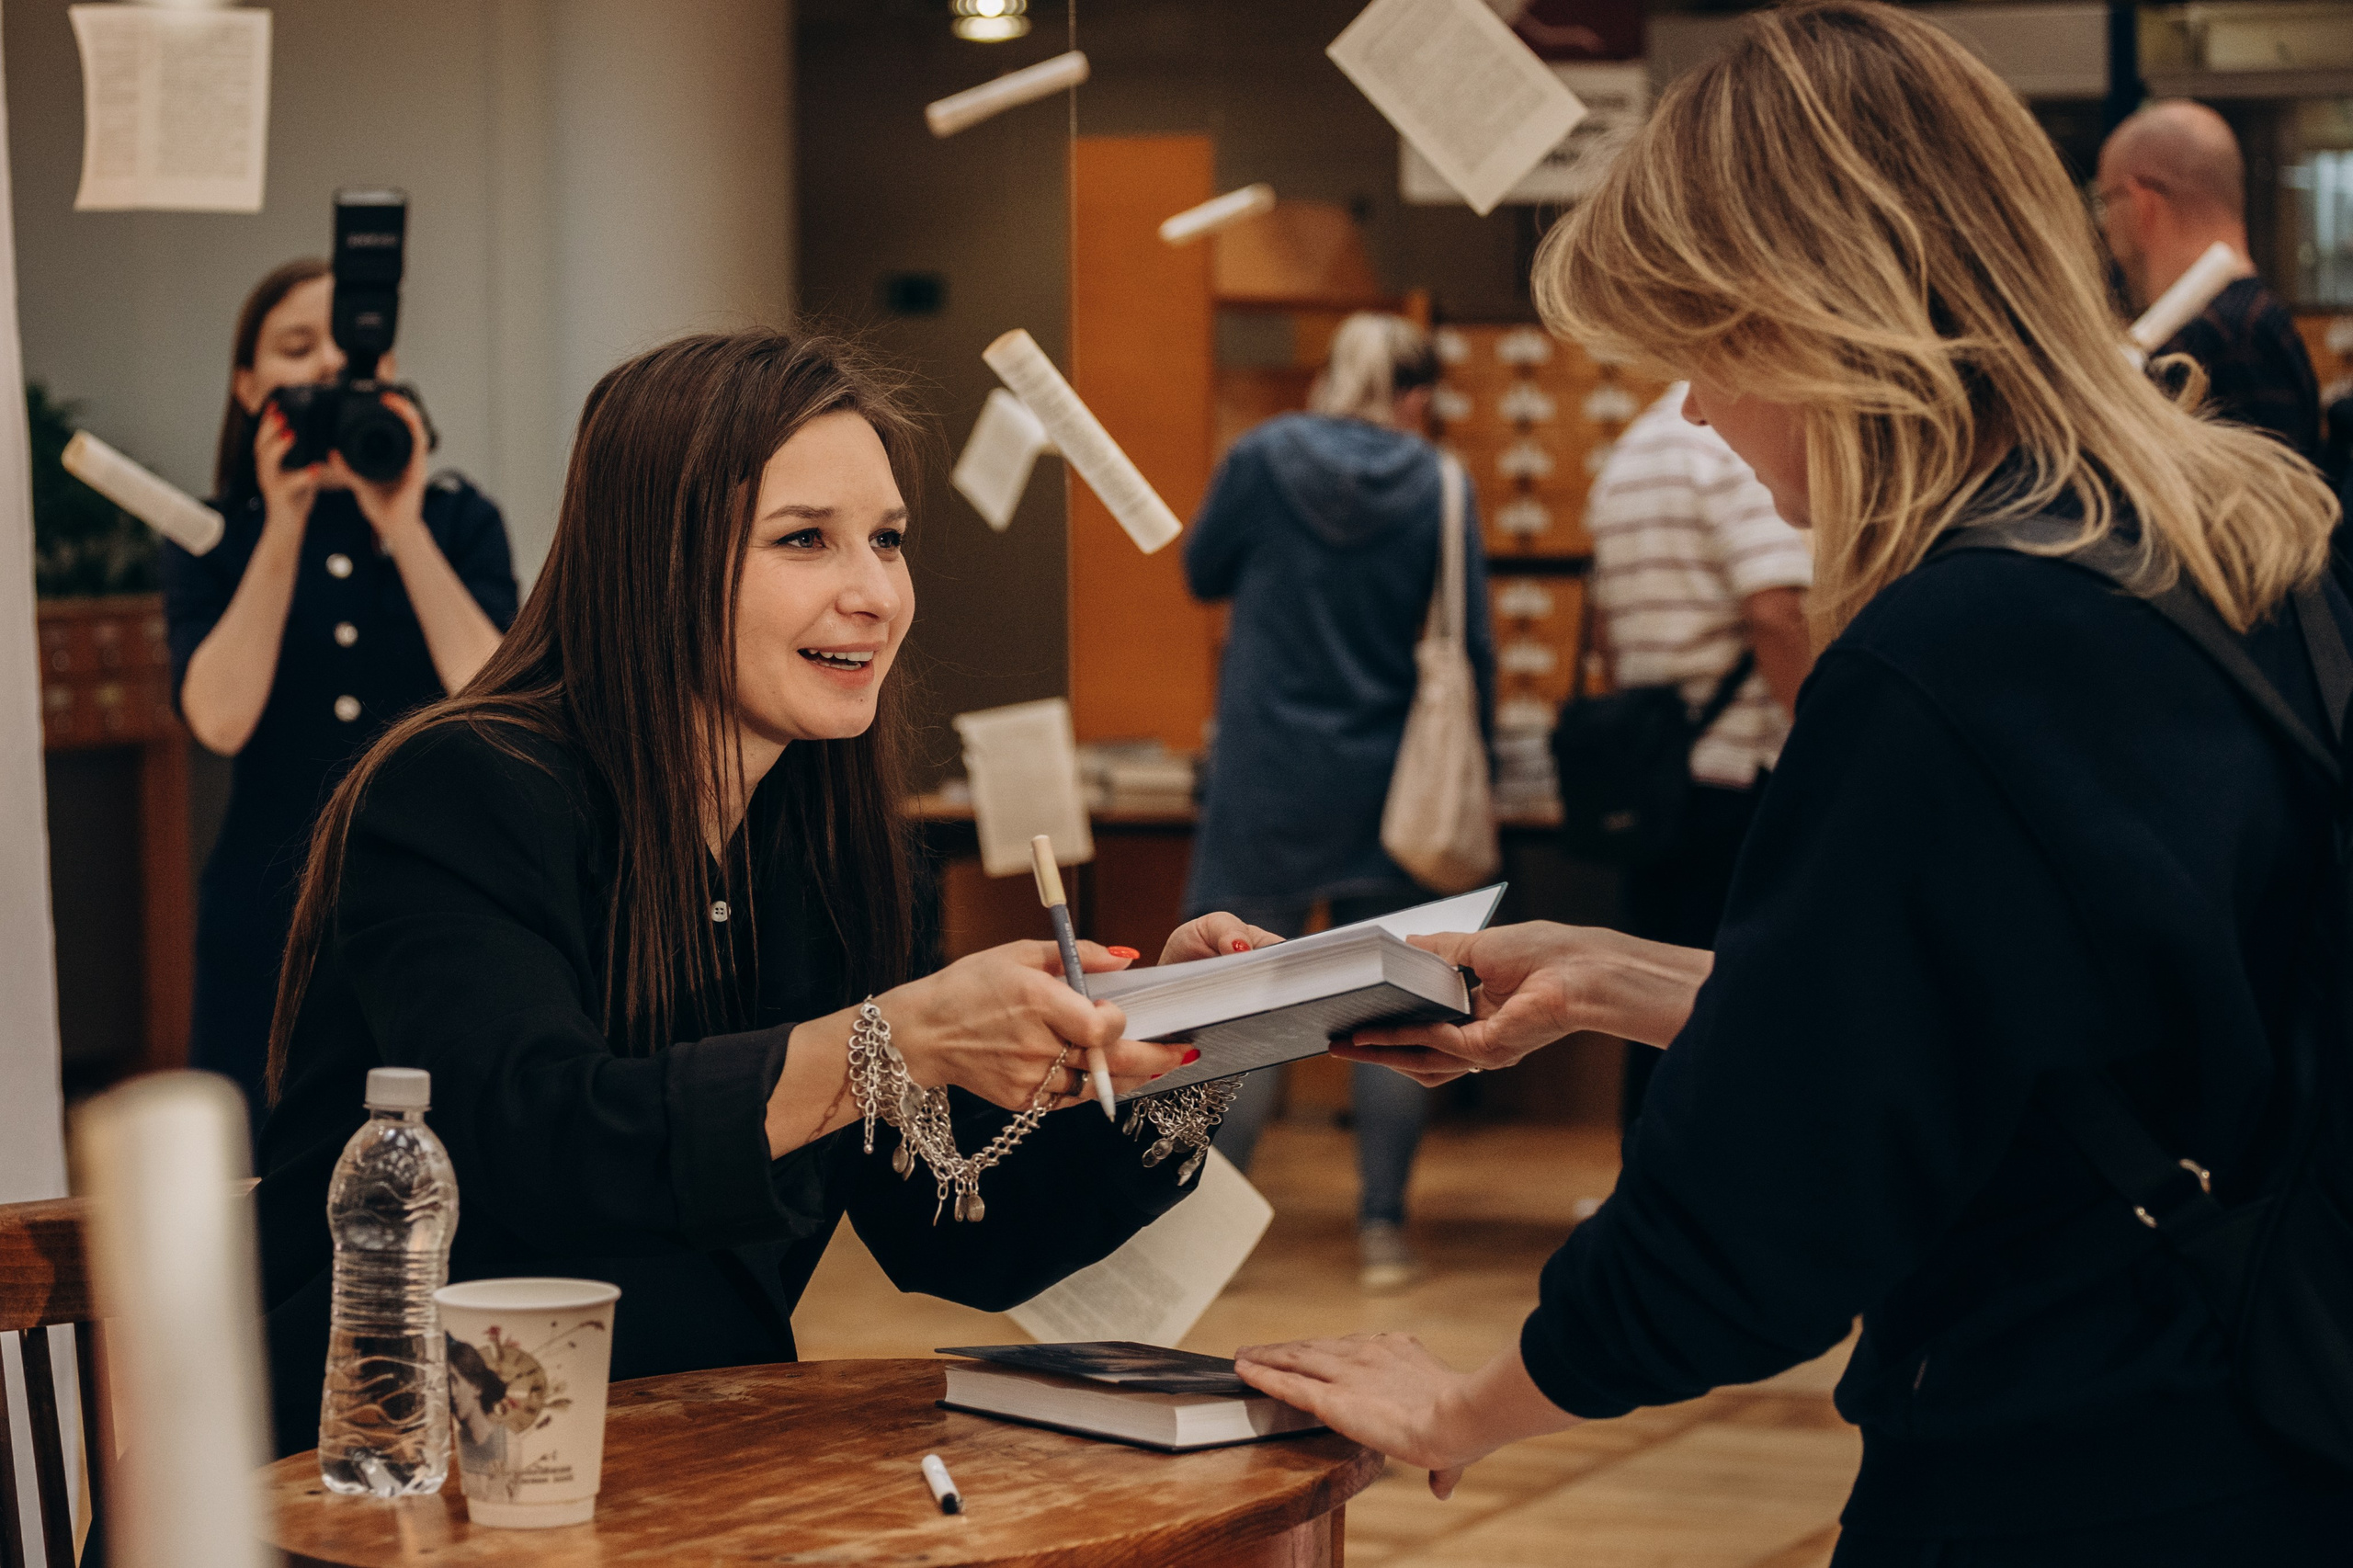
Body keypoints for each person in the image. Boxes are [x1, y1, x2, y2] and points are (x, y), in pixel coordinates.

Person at [1233, 5, 2352, 1562]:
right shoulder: (2242, 556)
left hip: (2067, 1455)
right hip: (2283, 1411)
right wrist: (1621, 976)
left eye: (1702, 351)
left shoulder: (1944, 655)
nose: (1695, 408)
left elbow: (1764, 1211)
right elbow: (2042, 1018)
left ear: (1810, 322)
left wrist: (1463, 1409)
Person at [254, 329, 1272, 1458]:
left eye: (887, 540)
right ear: (657, 559)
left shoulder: (836, 853)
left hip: (679, 1463)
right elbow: (546, 1141)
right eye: (805, 540)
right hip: (375, 1470)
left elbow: (953, 1229)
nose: (875, 593)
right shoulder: (460, 788)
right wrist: (891, 1038)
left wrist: (1191, 1041)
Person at [1182, 312, 1496, 1291]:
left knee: (1241, 1005)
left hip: (1266, 774)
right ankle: (1381, 1232)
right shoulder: (1442, 481)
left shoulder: (1263, 455)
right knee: (1388, 1003)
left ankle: (1203, 1233)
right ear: (1411, 394)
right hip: (1388, 784)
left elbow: (1200, 572)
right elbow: (1473, 647)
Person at [163, 259, 517, 1123]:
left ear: (386, 376)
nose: (328, 364)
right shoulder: (212, 535)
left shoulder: (457, 519)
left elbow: (501, 700)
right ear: (249, 388)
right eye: (296, 345)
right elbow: (219, 718)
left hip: (439, 898)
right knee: (263, 1167)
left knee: (440, 1157)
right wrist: (282, 523)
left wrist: (400, 522)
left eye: (353, 347)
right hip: (267, 909)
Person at [1584, 386, 1811, 1141]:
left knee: (1651, 1007)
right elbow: (1777, 610)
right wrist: (1828, 746)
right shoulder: (1726, 449)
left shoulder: (1633, 449)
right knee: (1725, 1004)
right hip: (1737, 769)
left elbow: (1608, 635)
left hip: (1659, 773)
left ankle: (1648, 1187)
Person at [2097, 99, 2323, 461]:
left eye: (2106, 201)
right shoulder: (2250, 320)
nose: (2105, 225)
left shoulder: (2221, 339)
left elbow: (2262, 510)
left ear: (2143, 204)